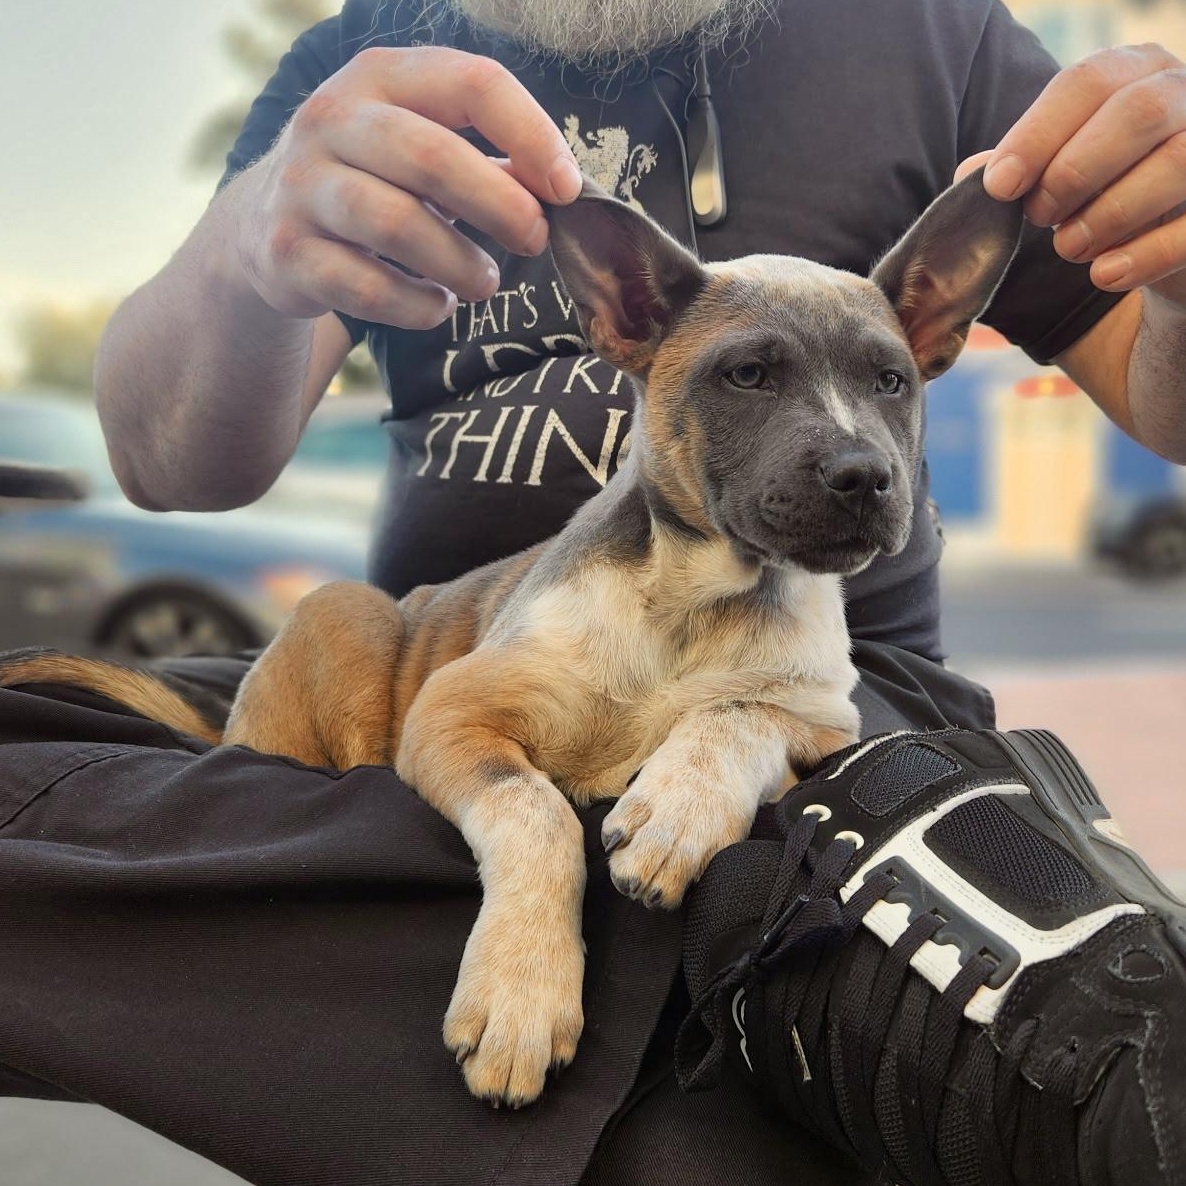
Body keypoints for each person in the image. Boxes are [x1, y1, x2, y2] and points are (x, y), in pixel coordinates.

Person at [0, 0, 1183, 1182]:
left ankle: (334, 930)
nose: (856, 444)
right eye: (753, 374)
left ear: (925, 336)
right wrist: (248, 249)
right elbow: (166, 464)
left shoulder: (938, 34)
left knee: (771, 847)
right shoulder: (364, 54)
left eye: (886, 382)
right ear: (620, 311)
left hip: (841, 725)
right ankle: (798, 1013)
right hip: (443, 713)